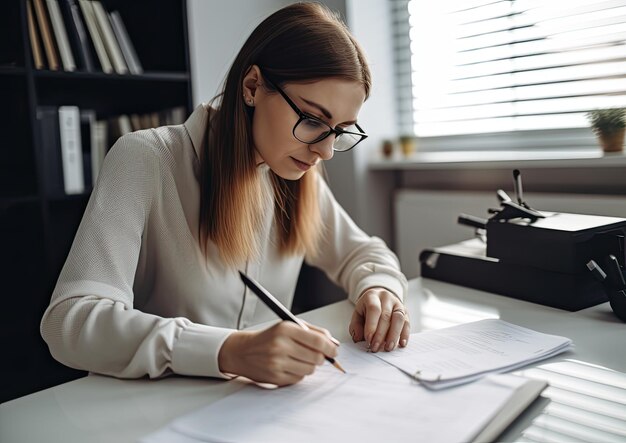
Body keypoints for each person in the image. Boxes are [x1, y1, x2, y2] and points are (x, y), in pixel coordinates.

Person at [41, 2, 409, 387]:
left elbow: (362, 252)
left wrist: (379, 287)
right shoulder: (147, 159)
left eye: (341, 130)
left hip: (259, 409)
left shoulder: (296, 172)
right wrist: (227, 350)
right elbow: (71, 319)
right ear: (252, 86)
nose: (326, 151)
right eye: (313, 119)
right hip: (155, 410)